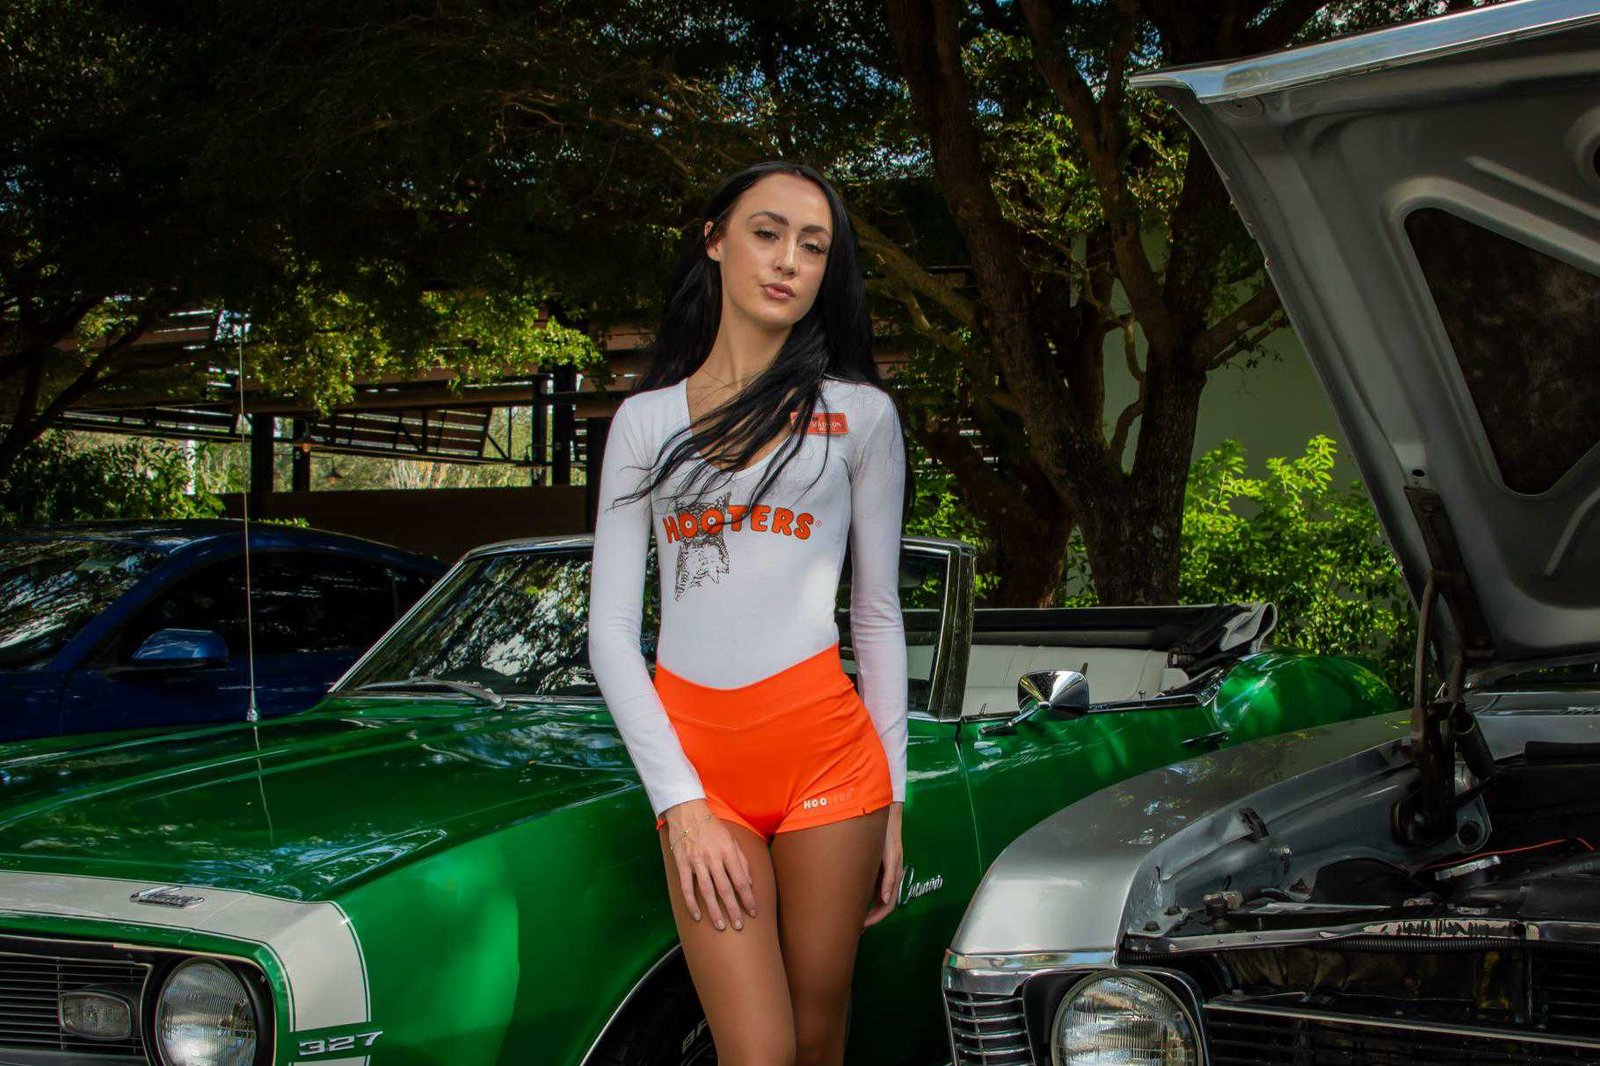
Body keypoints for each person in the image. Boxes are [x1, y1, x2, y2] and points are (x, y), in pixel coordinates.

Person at [586, 160, 911, 1066]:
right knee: (757, 1052)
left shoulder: (859, 417)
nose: (788, 260)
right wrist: (680, 807)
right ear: (716, 241)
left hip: (831, 766)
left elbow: (876, 615)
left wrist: (893, 800)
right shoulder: (645, 423)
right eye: (767, 233)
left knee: (816, 1038)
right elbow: (609, 634)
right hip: (701, 774)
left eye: (813, 246)